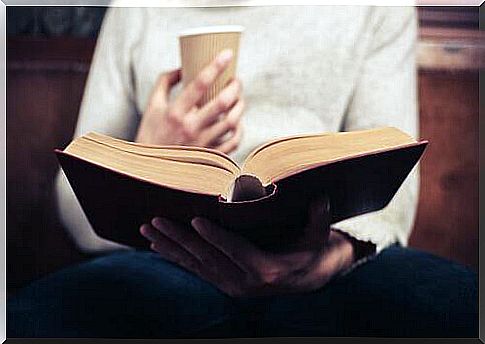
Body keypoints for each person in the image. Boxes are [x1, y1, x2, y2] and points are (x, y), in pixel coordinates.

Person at [7, 4, 477, 338]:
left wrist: (322, 264)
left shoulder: (376, 8)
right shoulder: (137, 9)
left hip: (329, 259)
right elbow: (74, 213)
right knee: (28, 320)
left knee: (464, 308)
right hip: (167, 256)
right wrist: (153, 149)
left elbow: (392, 199)